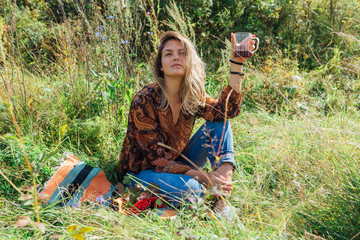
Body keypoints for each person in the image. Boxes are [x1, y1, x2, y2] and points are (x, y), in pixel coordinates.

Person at [117, 31, 255, 216]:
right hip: (142, 173)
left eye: (182, 53)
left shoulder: (191, 96)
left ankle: (222, 200)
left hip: (176, 163)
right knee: (193, 190)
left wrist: (237, 62)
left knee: (220, 124)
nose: (176, 57)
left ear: (189, 61)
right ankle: (207, 195)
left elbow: (226, 111)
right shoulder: (144, 100)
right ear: (160, 67)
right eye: (168, 54)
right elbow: (157, 160)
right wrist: (205, 178)